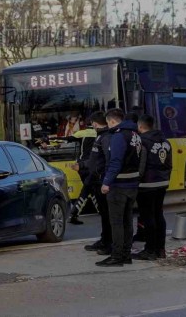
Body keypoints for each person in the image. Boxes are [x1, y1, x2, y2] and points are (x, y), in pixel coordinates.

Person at [96, 108, 141, 267]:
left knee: (116, 222)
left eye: (108, 123)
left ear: (112, 121)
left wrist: (106, 182)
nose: (108, 126)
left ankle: (117, 256)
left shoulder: (118, 136)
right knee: (127, 221)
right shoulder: (135, 135)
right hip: (132, 184)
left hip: (118, 185)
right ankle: (126, 254)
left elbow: (115, 162)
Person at [132, 114, 172, 261]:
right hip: (162, 182)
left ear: (140, 126)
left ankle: (150, 250)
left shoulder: (142, 141)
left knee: (148, 217)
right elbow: (169, 163)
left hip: (146, 184)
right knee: (159, 215)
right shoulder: (165, 141)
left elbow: (140, 164)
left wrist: (137, 179)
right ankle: (160, 249)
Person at [65, 113, 104, 225]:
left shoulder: (81, 133)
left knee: (90, 188)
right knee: (88, 189)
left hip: (81, 165)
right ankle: (74, 213)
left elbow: (65, 139)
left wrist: (46, 140)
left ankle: (77, 213)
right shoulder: (100, 133)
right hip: (93, 165)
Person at [83, 113, 113, 254]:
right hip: (97, 179)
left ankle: (109, 243)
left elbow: (108, 160)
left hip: (102, 180)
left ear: (95, 123)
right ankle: (105, 239)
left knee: (107, 214)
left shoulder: (105, 137)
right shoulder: (101, 136)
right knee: (103, 213)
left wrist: (105, 179)